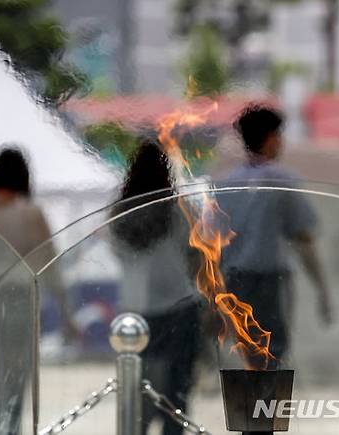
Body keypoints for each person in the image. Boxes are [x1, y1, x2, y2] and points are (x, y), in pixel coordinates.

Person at [0, 146, 74, 435]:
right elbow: (51, 265)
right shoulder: (31, 214)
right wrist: (67, 313)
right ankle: (12, 430)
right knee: (17, 379)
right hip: (20, 302)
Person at [220, 105, 333, 372]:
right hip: (271, 281)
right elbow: (303, 237)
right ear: (271, 138)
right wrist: (321, 288)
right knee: (274, 354)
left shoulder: (227, 184)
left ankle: (251, 412)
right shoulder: (282, 181)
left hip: (234, 282)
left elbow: (213, 244)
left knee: (248, 354)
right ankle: (268, 413)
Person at [111, 138, 202, 435]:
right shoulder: (179, 208)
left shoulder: (118, 212)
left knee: (138, 397)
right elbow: (196, 257)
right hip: (179, 306)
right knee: (176, 397)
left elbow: (117, 254)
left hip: (135, 311)